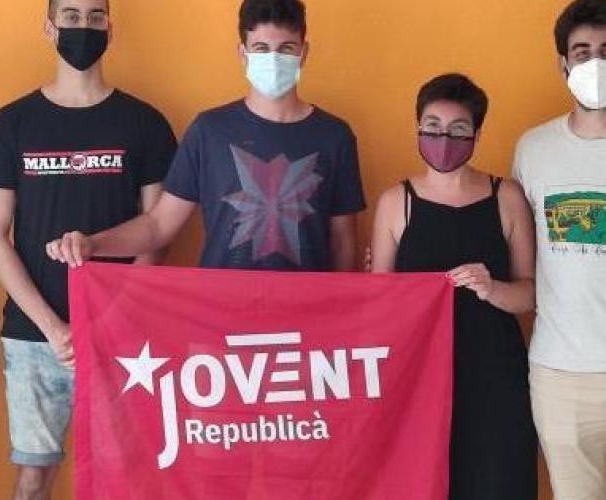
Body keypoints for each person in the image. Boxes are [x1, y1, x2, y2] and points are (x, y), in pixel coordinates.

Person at [0, 0, 177, 497]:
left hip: (121, 335)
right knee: (33, 477)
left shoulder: (145, 123)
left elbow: (158, 231)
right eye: (70, 16)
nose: (82, 27)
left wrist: (107, 318)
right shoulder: (12, 122)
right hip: (34, 335)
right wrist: (53, 326)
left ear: (109, 26)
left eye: (93, 17)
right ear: (50, 27)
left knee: (122, 475)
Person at [46, 0, 365, 272]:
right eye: (261, 48)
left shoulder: (334, 136)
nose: (273, 58)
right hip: (221, 313)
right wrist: (94, 244)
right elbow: (158, 226)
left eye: (286, 48)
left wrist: (341, 313)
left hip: (305, 316)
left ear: (303, 53)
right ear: (243, 53)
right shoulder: (209, 131)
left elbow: (342, 243)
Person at [371, 74, 537, 500]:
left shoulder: (507, 197)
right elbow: (378, 304)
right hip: (417, 378)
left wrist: (491, 288)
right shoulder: (395, 202)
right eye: (433, 126)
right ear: (417, 129)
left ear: (477, 135)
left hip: (494, 373)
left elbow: (529, 294)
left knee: (498, 483)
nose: (443, 139)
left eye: (458, 129)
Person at [513, 1, 606, 498]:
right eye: (583, 51)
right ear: (563, 64)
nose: (596, 62)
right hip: (561, 375)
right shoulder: (533, 148)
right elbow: (517, 249)